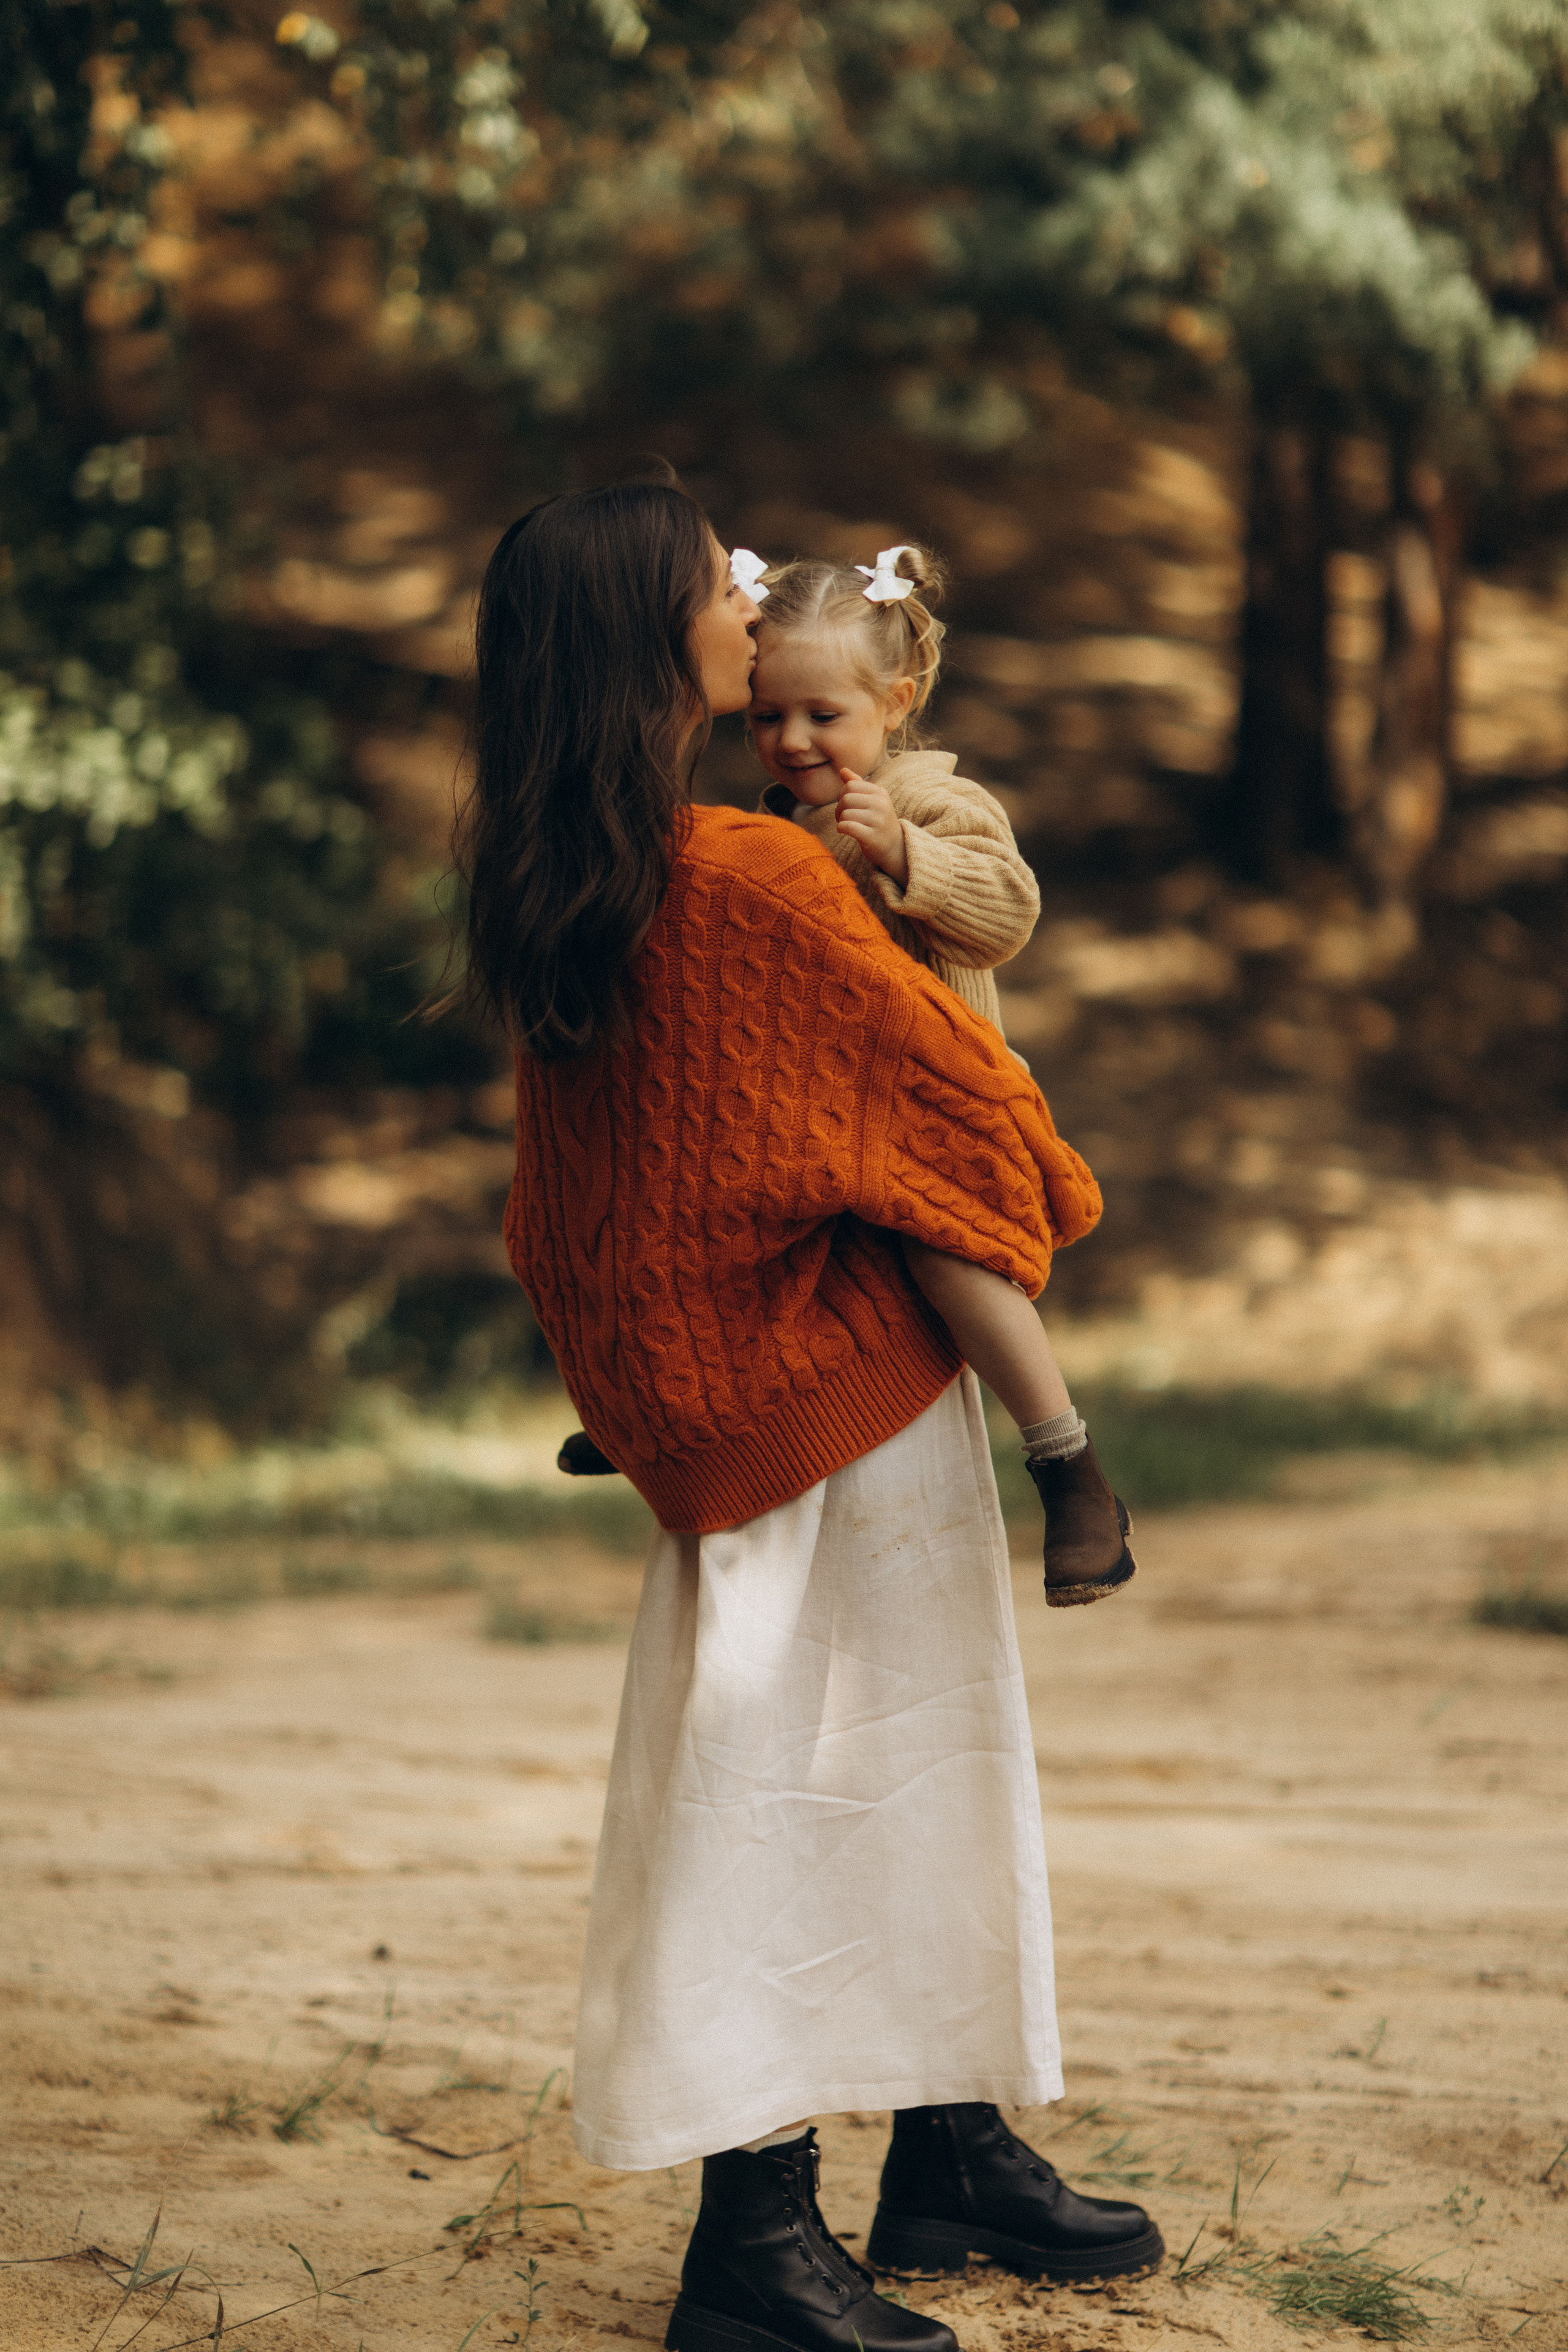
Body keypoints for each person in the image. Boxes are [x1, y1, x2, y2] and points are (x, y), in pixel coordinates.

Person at [459, 472, 1164, 2352]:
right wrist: (1047, 1203)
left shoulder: (577, 877)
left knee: (896, 1771)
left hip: (751, 1410)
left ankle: (942, 2147)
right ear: (653, 634)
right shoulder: (753, 875)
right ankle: (755, 2241)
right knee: (795, 1799)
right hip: (833, 1411)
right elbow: (969, 1125)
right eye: (722, 581)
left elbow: (569, 1216)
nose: (748, 595)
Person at [742, 538, 1132, 1606]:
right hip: (819, 1123)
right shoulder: (767, 833)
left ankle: (1068, 1467)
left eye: (823, 715)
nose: (791, 739)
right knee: (708, 1214)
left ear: (895, 701)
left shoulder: (929, 802)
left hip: (936, 1111)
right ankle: (666, 1414)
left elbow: (1007, 914)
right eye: (766, 717)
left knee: (948, 1259)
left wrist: (907, 861)